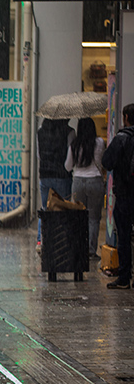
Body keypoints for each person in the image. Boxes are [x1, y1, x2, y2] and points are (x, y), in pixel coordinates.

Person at [102, 104, 134, 289]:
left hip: (123, 194)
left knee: (123, 237)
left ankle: (124, 278)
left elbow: (107, 161)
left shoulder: (121, 138)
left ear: (126, 117)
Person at [65, 117, 106, 260]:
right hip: (95, 181)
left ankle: (79, 247)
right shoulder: (100, 142)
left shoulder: (74, 145)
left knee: (79, 217)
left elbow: (68, 166)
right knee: (93, 218)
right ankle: (91, 250)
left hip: (78, 182)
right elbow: (103, 161)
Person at [37, 118, 76, 252]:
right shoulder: (70, 132)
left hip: (44, 175)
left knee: (45, 209)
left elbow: (39, 155)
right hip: (61, 176)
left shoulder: (40, 132)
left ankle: (41, 241)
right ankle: (62, 242)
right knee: (62, 209)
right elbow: (70, 158)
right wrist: (65, 169)